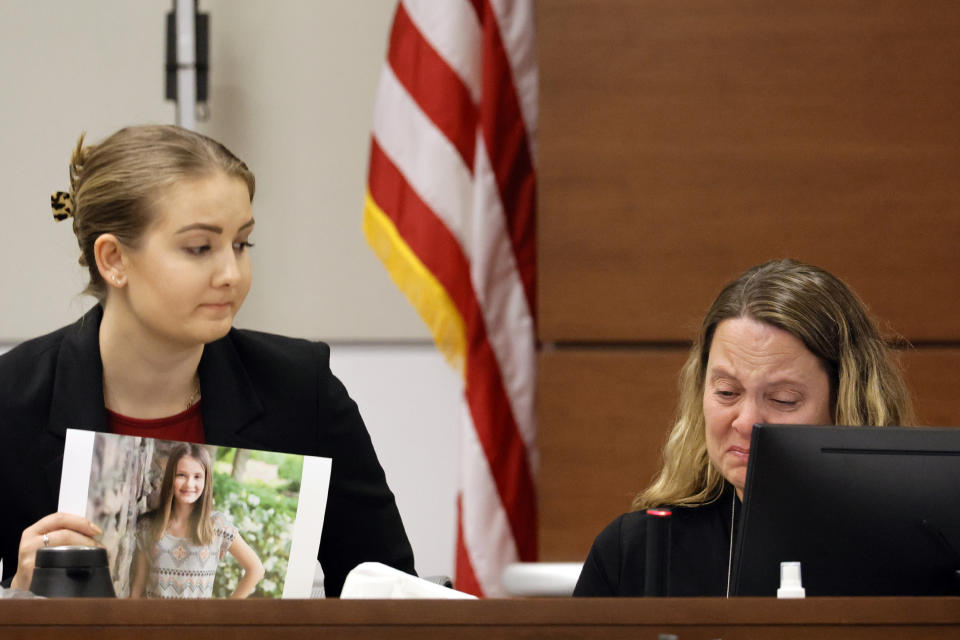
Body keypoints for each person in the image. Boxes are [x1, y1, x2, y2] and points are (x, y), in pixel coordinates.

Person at [0, 125, 415, 597]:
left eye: (242, 244)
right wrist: (16, 594)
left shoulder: (302, 389)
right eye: (200, 248)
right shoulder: (11, 400)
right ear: (114, 259)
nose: (231, 274)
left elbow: (392, 593)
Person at [573, 258, 915, 597]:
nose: (747, 421)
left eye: (782, 399)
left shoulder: (910, 555)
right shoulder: (632, 552)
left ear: (846, 402)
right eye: (727, 392)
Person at [130, 443, 262, 598]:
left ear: (206, 481)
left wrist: (226, 613)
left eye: (197, 476)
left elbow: (256, 569)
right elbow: (137, 589)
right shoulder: (147, 527)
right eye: (181, 475)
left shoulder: (217, 526)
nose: (189, 484)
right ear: (170, 478)